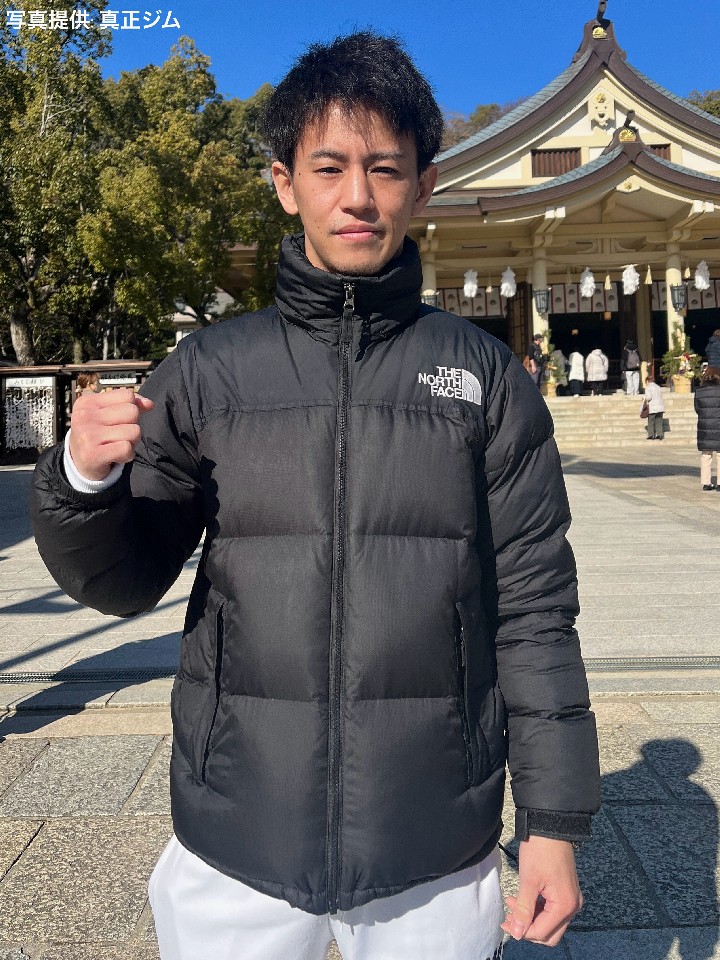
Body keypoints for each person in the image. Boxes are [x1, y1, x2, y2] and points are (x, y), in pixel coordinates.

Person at [30, 32, 600, 960]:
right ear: (284, 182)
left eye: (386, 168)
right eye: (328, 167)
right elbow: (124, 583)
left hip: (434, 838)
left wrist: (553, 822)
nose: (357, 196)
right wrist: (85, 481)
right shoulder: (207, 372)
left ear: (424, 185)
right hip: (235, 831)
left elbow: (536, 610)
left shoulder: (486, 378)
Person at [694, 365, 720, 489]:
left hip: (704, 425)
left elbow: (697, 409)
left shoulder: (699, 391)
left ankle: (706, 483)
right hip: (718, 424)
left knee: (706, 454)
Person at [643, 374, 665, 439]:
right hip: (660, 407)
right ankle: (659, 434)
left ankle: (651, 435)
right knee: (659, 421)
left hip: (653, 407)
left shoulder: (648, 387)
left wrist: (644, 398)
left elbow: (649, 397)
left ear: (647, 381)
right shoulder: (658, 387)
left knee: (651, 421)